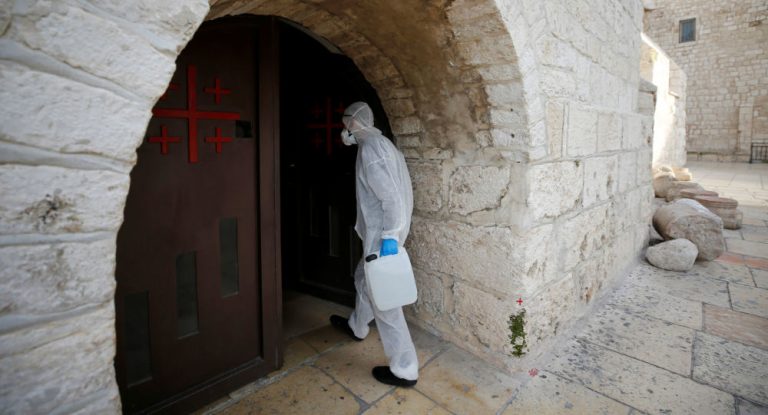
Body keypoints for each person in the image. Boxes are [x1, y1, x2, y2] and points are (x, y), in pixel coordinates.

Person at [329, 101, 419, 387]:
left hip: (383, 237)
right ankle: (357, 325)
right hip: (383, 235)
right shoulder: (381, 144)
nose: (344, 129)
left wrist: (390, 236)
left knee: (385, 302)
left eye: (345, 123)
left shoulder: (370, 149)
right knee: (363, 279)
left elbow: (391, 197)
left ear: (352, 122)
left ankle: (405, 368)